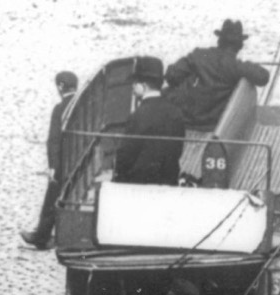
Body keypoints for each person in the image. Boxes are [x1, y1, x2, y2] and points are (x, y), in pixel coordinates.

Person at [164, 19, 270, 130]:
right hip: (210, 123)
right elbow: (263, 77)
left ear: (219, 40)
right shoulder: (237, 67)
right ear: (240, 46)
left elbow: (172, 75)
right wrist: (247, 65)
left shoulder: (199, 55)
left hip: (184, 118)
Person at [21, 71, 78, 249]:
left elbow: (53, 140)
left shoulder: (60, 109)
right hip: (80, 159)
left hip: (62, 162)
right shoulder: (84, 104)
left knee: (51, 200)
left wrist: (53, 165)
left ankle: (41, 237)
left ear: (61, 86)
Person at [112, 56, 185, 185]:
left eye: (135, 82)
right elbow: (177, 150)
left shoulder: (138, 115)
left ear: (143, 86)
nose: (133, 87)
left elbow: (126, 155)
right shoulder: (176, 112)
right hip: (168, 182)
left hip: (139, 184)